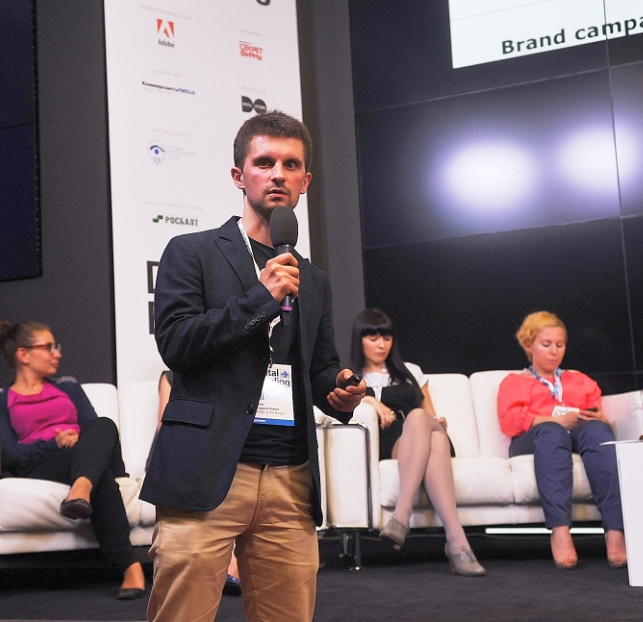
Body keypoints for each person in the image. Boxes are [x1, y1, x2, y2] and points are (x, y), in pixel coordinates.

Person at [143, 111, 366, 622]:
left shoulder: (314, 279)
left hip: (290, 477)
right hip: (210, 470)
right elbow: (176, 344)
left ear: (306, 181)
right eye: (264, 163)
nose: (278, 174)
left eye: (291, 165)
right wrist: (259, 299)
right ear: (238, 176)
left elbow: (319, 368)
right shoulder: (191, 252)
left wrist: (339, 389)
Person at [0, 320, 146, 599]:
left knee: (104, 425)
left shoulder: (68, 387)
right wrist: (54, 442)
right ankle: (130, 567)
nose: (57, 353)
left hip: (85, 454)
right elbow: (10, 455)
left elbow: (93, 428)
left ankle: (80, 489)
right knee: (100, 477)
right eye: (48, 347)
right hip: (43, 464)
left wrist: (77, 439)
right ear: (23, 354)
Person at [351, 309, 485, 576]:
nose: (381, 345)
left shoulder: (410, 371)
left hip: (423, 429)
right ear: (359, 341)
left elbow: (428, 412)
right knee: (430, 435)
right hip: (393, 441)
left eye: (386, 338)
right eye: (373, 338)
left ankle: (402, 515)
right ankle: (457, 544)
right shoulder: (353, 378)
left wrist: (437, 421)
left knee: (424, 421)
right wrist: (370, 400)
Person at [496, 311, 626, 570]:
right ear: (529, 345)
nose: (554, 352)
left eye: (560, 345)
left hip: (576, 432)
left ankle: (615, 530)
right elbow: (510, 421)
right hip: (533, 439)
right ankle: (560, 530)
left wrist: (599, 418)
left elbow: (594, 408)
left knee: (597, 431)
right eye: (546, 345)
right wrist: (554, 420)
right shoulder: (514, 382)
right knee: (551, 431)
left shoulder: (579, 379)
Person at [157, 370, 242, 596]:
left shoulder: (236, 378)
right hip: (179, 446)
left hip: (222, 448)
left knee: (233, 468)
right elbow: (164, 423)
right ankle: (223, 566)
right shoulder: (170, 376)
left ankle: (231, 565)